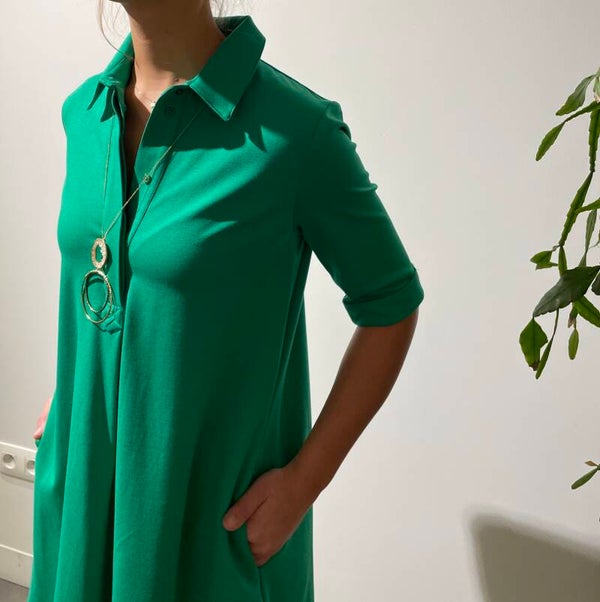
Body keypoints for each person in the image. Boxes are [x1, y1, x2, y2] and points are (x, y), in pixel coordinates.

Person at [28, 1, 425, 601]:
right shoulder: (84, 114)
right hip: (80, 498)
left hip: (204, 525)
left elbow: (391, 304)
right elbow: (112, 280)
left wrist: (303, 484)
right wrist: (71, 391)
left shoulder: (295, 132)